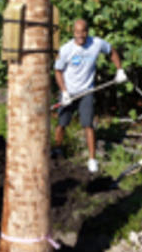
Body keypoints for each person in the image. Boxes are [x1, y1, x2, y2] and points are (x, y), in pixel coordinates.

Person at [53, 19, 127, 172]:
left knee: (88, 124)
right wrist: (64, 92)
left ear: (87, 31)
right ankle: (57, 149)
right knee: (62, 123)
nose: (81, 35)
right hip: (68, 92)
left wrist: (119, 69)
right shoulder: (65, 49)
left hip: (87, 91)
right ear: (73, 32)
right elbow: (58, 72)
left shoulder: (96, 44)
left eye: (84, 32)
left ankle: (92, 160)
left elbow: (111, 51)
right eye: (77, 32)